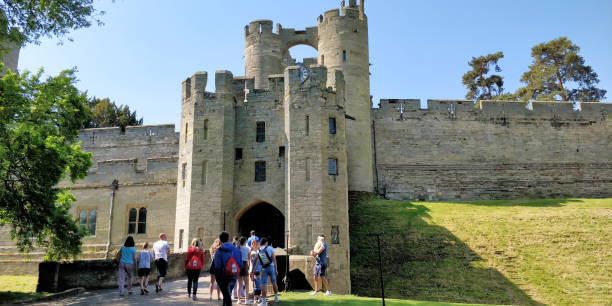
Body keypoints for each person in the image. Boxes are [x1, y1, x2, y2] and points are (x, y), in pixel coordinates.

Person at [213, 231, 242, 306]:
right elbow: (240, 263)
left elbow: (217, 266)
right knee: (227, 294)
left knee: (227, 295)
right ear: (228, 238)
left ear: (220, 240)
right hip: (234, 275)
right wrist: (237, 273)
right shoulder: (236, 249)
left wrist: (218, 278)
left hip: (223, 276)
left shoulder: (219, 251)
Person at [253, 237, 278, 306]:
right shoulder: (270, 248)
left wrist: (252, 271)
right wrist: (276, 269)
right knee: (274, 282)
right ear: (266, 242)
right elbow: (274, 259)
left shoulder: (258, 250)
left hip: (263, 268)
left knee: (263, 284)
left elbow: (255, 262)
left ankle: (263, 302)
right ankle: (276, 297)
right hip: (271, 267)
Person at [249, 239, 262, 305]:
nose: (254, 244)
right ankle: (255, 298)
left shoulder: (258, 251)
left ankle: (258, 297)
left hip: (258, 269)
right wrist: (251, 270)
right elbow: (252, 262)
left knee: (257, 283)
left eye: (255, 243)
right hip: (253, 269)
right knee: (254, 284)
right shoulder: (252, 252)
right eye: (252, 243)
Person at [239, 237, 251, 304]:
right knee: (246, 284)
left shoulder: (238, 248)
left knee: (239, 283)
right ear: (245, 242)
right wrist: (248, 266)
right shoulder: (247, 249)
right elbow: (249, 258)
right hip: (245, 264)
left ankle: (239, 299)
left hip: (239, 265)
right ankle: (247, 300)